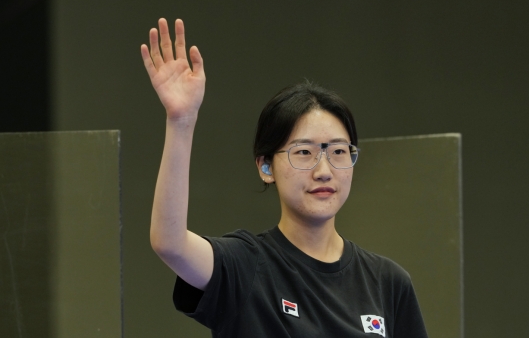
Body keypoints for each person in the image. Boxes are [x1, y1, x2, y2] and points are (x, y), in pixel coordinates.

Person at [141, 18, 428, 338]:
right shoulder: (245, 266)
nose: (323, 170)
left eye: (338, 152)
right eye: (303, 152)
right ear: (266, 167)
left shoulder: (388, 283)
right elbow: (170, 243)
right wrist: (181, 120)